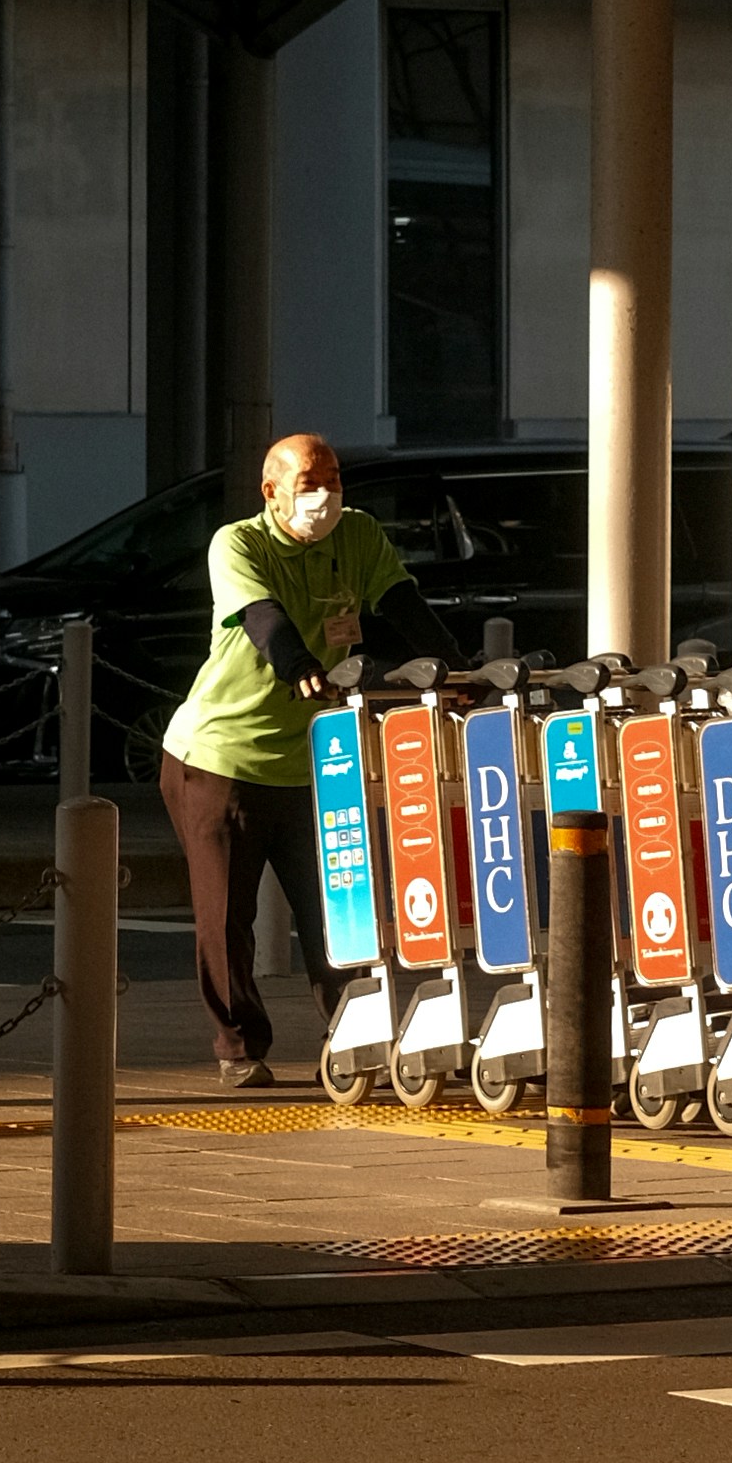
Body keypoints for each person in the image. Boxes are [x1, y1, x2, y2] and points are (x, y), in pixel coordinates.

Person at [157, 429, 412, 1088]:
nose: (323, 497)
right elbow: (261, 616)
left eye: (333, 482)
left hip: (315, 762)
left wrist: (459, 667)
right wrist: (296, 663)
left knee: (337, 910)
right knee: (225, 918)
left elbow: (402, 603)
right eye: (308, 486)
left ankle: (354, 1037)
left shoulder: (357, 535)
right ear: (271, 492)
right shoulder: (237, 543)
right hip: (220, 761)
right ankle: (238, 1048)